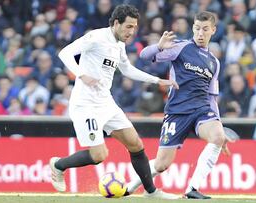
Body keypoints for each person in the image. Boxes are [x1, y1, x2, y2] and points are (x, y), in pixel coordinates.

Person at [50, 4, 179, 199]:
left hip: (106, 103)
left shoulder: (119, 45)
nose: (132, 32)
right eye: (128, 27)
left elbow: (127, 69)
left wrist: (157, 80)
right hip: (86, 106)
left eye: (134, 27)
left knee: (135, 144)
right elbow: (65, 53)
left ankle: (151, 192)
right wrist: (81, 74)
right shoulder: (96, 37)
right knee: (99, 156)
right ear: (116, 23)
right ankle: (58, 165)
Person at [126, 11, 234, 199]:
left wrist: (219, 126)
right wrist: (159, 47)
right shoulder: (180, 47)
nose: (200, 33)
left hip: (202, 110)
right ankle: (128, 187)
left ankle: (192, 188)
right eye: (197, 28)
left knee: (217, 137)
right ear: (193, 28)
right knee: (161, 165)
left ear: (213, 30)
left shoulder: (214, 63)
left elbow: (212, 97)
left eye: (205, 29)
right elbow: (144, 55)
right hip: (177, 111)